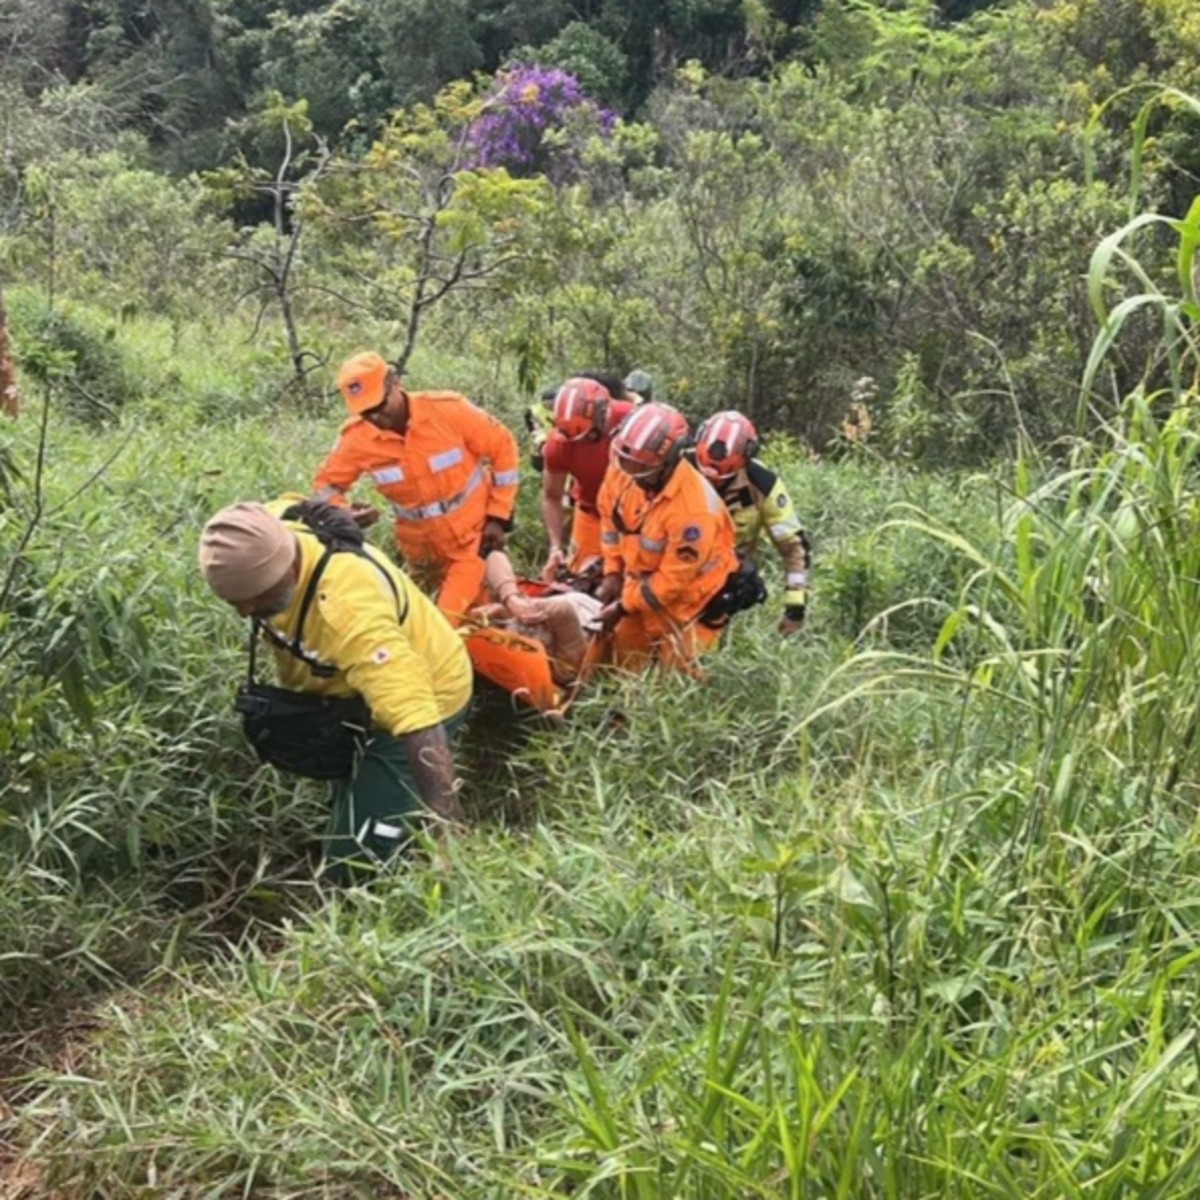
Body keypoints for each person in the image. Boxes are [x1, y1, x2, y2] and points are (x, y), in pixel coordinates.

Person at [198, 499, 472, 880]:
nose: (246, 613)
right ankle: (384, 817)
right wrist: (342, 511)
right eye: (235, 605)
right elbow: (291, 503)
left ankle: (371, 892)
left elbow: (415, 717)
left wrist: (447, 827)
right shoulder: (271, 529)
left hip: (430, 693)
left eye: (259, 600)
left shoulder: (348, 608)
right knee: (351, 798)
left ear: (288, 568)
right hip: (348, 699)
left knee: (352, 858)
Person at [313, 351, 520, 624]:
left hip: (471, 540)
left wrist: (498, 516)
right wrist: (345, 512)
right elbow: (325, 486)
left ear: (395, 382)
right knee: (417, 622)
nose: (375, 416)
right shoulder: (357, 439)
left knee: (444, 623)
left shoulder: (449, 411)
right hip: (420, 553)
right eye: (366, 412)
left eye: (379, 404)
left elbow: (503, 448)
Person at [596, 403, 739, 671]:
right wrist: (612, 572)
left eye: (639, 468)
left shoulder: (694, 511)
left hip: (692, 601)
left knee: (678, 682)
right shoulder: (623, 469)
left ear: (667, 462)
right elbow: (610, 521)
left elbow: (672, 581)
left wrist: (623, 606)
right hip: (641, 584)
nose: (629, 473)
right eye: (625, 462)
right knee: (623, 665)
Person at [693, 410, 812, 636]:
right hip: (674, 564)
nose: (712, 483)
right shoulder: (679, 466)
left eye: (721, 479)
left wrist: (795, 607)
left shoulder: (763, 486)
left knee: (744, 583)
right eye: (706, 475)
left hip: (723, 579)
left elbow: (794, 547)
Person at [541, 375, 635, 582]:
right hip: (591, 513)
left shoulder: (633, 421)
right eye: (575, 439)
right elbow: (551, 496)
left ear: (602, 415)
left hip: (636, 515)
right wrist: (555, 546)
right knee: (581, 578)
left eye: (589, 436)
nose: (582, 443)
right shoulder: (559, 445)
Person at [471, 550, 601, 686]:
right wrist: (512, 603)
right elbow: (562, 609)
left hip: (565, 596)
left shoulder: (560, 669)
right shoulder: (567, 668)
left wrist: (509, 603)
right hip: (586, 602)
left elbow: (493, 556)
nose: (527, 623)